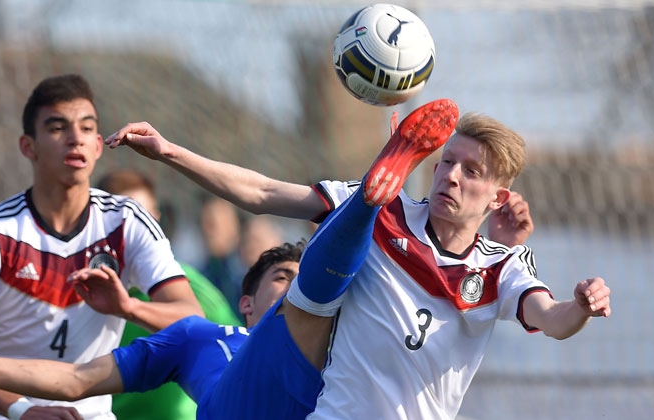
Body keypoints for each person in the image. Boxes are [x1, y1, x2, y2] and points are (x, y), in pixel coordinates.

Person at [0, 99, 467, 420]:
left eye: (297, 273)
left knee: (328, 308)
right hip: (239, 406)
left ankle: (372, 200)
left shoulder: (346, 358)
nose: (290, 280)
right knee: (311, 303)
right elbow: (74, 381)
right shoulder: (201, 335)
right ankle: (370, 200)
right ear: (245, 302)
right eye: (281, 274)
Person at [98, 98, 611, 419]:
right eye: (445, 161)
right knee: (364, 210)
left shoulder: (503, 265)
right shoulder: (396, 211)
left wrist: (581, 306)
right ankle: (368, 190)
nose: (451, 175)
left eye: (471, 171)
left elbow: (552, 319)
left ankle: (371, 185)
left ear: (497, 198)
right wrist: (170, 151)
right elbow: (261, 191)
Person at [0, 74, 203, 420]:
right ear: (28, 147)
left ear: (97, 145)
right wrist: (24, 410)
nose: (75, 138)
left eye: (87, 127)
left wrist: (128, 308)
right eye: (58, 127)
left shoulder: (128, 222)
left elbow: (192, 319)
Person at [96, 169, 241, 420]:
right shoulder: (77, 284)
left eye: (146, 216)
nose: (137, 228)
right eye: (124, 217)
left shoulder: (191, 287)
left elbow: (240, 355)